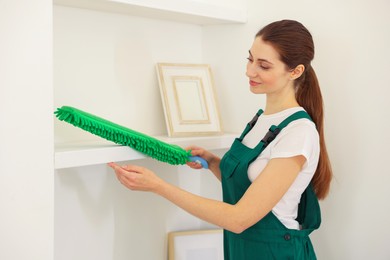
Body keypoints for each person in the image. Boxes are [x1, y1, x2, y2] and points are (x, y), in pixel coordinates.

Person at [108, 19, 332, 259]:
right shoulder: (260, 120)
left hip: (275, 252)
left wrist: (158, 186)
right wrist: (213, 162)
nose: (249, 71)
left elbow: (239, 219)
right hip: (241, 250)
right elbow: (252, 182)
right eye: (250, 59)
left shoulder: (298, 133)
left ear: (295, 71)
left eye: (263, 66)